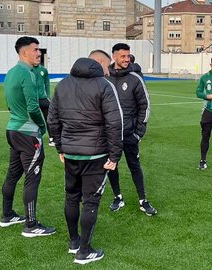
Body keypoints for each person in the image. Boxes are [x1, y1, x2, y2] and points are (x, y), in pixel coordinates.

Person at [47, 50, 123, 264]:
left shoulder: (62, 85)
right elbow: (115, 123)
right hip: (95, 155)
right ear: (99, 62)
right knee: (90, 201)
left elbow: (52, 120)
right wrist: (115, 155)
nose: (108, 71)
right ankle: (84, 250)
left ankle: (74, 242)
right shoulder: (104, 85)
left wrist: (60, 147)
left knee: (71, 196)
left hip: (71, 153)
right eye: (107, 65)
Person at [0, 36, 55, 237]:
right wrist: (42, 127)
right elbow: (33, 107)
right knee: (32, 178)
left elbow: (9, 103)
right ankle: (31, 225)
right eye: (35, 50)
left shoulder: (10, 73)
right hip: (27, 133)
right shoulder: (29, 74)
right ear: (24, 52)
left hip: (12, 130)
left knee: (13, 174)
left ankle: (7, 215)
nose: (39, 53)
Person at [107, 43, 157, 216]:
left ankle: (143, 200)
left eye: (128, 56)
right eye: (123, 56)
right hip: (111, 135)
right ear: (114, 56)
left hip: (130, 134)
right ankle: (117, 197)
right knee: (111, 166)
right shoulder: (105, 78)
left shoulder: (135, 78)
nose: (127, 59)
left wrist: (138, 132)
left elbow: (145, 105)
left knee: (134, 165)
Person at [33, 62, 55, 146]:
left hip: (43, 99)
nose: (37, 59)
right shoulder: (28, 70)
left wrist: (48, 96)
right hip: (32, 99)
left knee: (50, 119)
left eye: (39, 57)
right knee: (33, 119)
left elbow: (47, 83)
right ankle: (34, 138)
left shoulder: (43, 70)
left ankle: (52, 139)